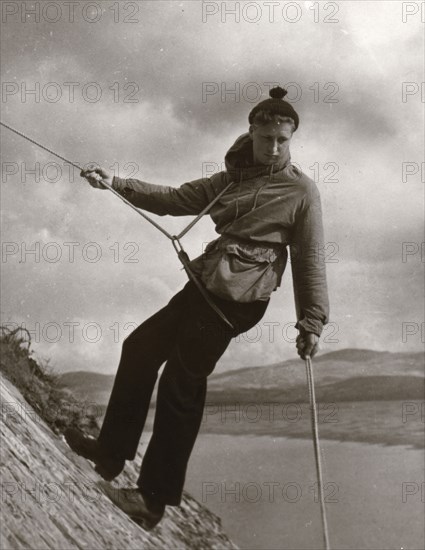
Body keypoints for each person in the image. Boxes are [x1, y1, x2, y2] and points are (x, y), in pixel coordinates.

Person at [65, 86, 329, 529]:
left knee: (181, 382)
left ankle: (151, 501)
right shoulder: (230, 179)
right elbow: (174, 200)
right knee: (140, 347)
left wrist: (313, 320)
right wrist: (116, 183)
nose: (275, 147)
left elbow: (311, 258)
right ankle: (110, 454)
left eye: (284, 140)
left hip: (241, 299)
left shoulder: (302, 191)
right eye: (268, 139)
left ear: (292, 138)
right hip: (208, 283)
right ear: (253, 131)